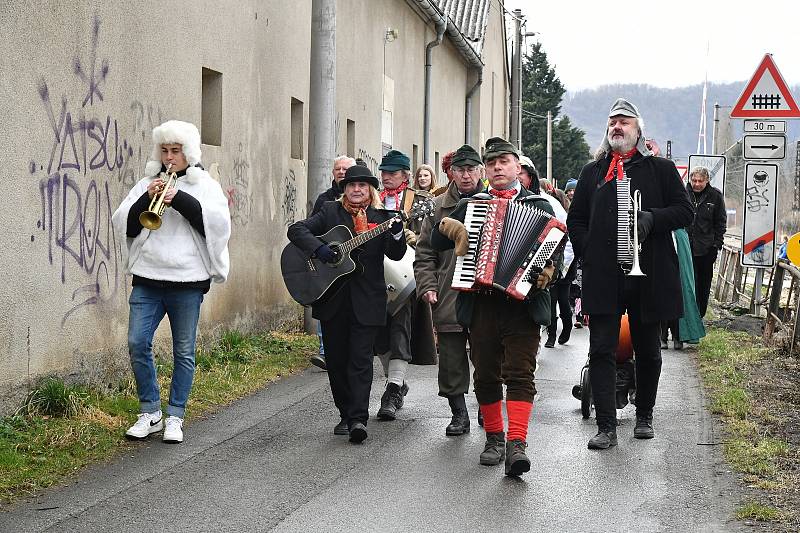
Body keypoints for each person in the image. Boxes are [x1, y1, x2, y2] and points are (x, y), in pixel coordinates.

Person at [567, 99, 693, 450]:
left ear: (638, 129)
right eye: (612, 122)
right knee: (601, 350)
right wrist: (586, 248)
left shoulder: (661, 170)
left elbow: (685, 212)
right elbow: (575, 220)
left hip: (648, 274)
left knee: (649, 349)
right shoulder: (594, 172)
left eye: (624, 121)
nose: (617, 127)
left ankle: (644, 415)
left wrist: (652, 218)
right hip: (604, 274)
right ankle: (606, 425)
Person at [431, 136, 557, 476]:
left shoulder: (541, 205)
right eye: (492, 163)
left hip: (523, 306)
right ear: (487, 170)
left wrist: (547, 271)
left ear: (518, 167)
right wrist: (452, 228)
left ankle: (517, 443)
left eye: (504, 161)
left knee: (520, 373)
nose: (498, 167)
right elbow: (435, 239)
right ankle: (494, 438)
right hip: (482, 302)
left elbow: (556, 251)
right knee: (485, 373)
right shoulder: (473, 204)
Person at [111, 120, 231, 444]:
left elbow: (217, 226)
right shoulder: (147, 182)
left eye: (175, 151)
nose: (169, 158)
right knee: (137, 342)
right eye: (164, 151)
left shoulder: (205, 185)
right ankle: (150, 412)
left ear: (188, 152)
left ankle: (175, 415)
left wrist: (177, 198)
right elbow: (126, 224)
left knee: (184, 352)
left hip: (187, 281)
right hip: (148, 278)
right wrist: (144, 199)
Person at [286, 165, 406, 443]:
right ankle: (344, 413)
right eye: (352, 185)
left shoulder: (382, 217)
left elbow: (396, 254)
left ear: (370, 190)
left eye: (362, 186)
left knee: (361, 361)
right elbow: (297, 230)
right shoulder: (330, 212)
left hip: (368, 299)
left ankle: (358, 419)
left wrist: (397, 233)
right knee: (338, 361)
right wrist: (319, 249)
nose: (356, 189)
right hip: (331, 297)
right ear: (344, 189)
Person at [414, 144, 485, 436]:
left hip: (486, 292)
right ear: (452, 172)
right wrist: (427, 286)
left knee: (486, 356)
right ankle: (459, 414)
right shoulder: (438, 206)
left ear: (481, 171)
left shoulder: (495, 202)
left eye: (471, 169)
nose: (466, 176)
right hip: (448, 291)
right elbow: (424, 252)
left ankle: (487, 406)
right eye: (460, 170)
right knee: (452, 360)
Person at [374, 150, 437, 421]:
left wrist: (415, 237)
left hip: (407, 275)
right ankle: (396, 381)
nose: (386, 177)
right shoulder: (370, 197)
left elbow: (436, 235)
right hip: (374, 274)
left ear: (405, 175)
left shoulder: (422, 200)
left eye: (392, 172)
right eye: (383, 172)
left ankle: (393, 390)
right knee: (378, 332)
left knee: (400, 328)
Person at [309, 155, 357, 370]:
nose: (341, 172)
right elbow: (311, 230)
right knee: (325, 300)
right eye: (337, 168)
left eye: (345, 169)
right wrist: (320, 250)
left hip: (354, 264)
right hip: (330, 262)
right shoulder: (325, 201)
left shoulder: (366, 201)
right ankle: (325, 351)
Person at [686, 166, 726, 318]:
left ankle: (699, 317)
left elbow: (720, 222)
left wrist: (716, 245)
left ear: (707, 180)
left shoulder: (715, 196)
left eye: (700, 181)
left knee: (703, 285)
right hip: (686, 248)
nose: (696, 184)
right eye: (694, 180)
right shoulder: (683, 194)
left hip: (706, 250)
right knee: (687, 285)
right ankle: (685, 318)